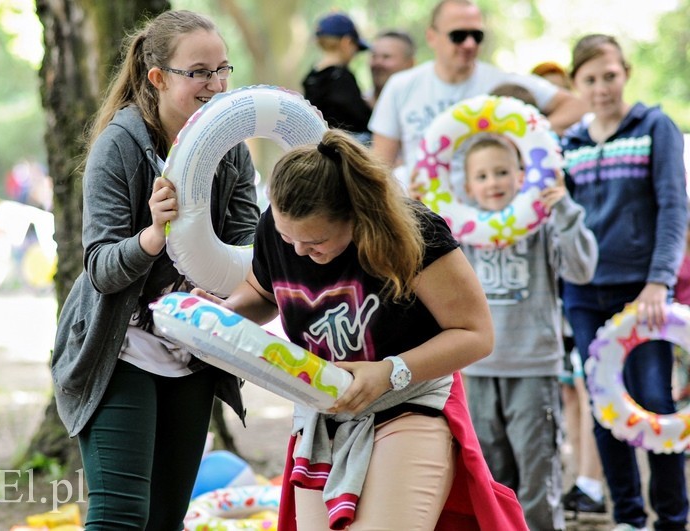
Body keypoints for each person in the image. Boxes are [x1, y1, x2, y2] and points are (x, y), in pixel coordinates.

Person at [194, 128, 527, 530]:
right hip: (323, 416)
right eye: (287, 238)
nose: (298, 252)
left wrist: (390, 372)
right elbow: (263, 292)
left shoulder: (416, 233)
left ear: (356, 215)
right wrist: (227, 314)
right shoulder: (277, 230)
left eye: (316, 242)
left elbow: (476, 334)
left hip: (407, 405)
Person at [50, 10, 260, 530]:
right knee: (121, 518)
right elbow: (100, 269)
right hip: (119, 349)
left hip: (191, 349)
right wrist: (152, 234)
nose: (216, 85)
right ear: (159, 78)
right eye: (199, 72)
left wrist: (232, 296)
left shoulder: (231, 150)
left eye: (222, 69)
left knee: (166, 518)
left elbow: (248, 249)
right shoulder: (120, 145)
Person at [561, 33, 689, 531]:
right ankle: (628, 519)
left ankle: (673, 520)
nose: (601, 88)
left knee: (655, 402)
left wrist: (659, 281)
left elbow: (674, 207)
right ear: (576, 83)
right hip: (584, 295)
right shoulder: (567, 142)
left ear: (626, 72)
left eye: (609, 76)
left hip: (643, 292)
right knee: (605, 408)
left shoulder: (656, 126)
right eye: (590, 79)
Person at [454, 132, 598, 531]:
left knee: (537, 476)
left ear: (521, 175)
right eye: (482, 176)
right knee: (492, 477)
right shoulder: (460, 232)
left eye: (502, 172)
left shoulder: (542, 225)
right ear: (468, 187)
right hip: (479, 369)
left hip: (533, 366)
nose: (493, 183)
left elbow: (582, 269)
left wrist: (566, 211)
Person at [369, 0, 587, 183]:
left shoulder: (499, 81)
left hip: (487, 216)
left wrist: (530, 132)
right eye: (458, 36)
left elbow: (577, 107)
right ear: (432, 37)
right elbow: (380, 166)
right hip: (422, 217)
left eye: (477, 35)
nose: (469, 44)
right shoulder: (402, 86)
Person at [302, 12, 373, 144]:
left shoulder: (311, 77)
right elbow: (363, 119)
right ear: (347, 42)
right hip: (344, 146)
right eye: (355, 48)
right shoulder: (342, 77)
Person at [367, 30, 416, 107]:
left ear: (410, 63)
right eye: (374, 56)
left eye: (386, 57)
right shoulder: (354, 105)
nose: (378, 63)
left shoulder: (421, 106)